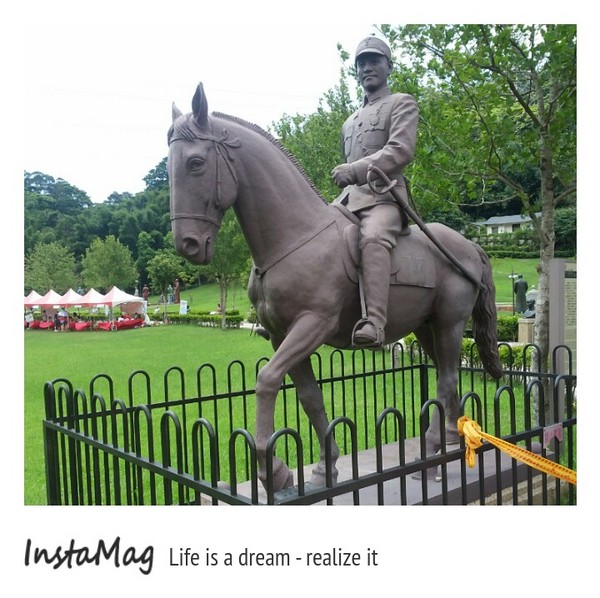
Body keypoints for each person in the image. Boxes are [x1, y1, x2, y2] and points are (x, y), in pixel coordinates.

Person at [332, 36, 419, 347]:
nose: (367, 68)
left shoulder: (401, 103)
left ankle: (375, 323)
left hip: (384, 197)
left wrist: (355, 170)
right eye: (361, 64)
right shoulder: (349, 122)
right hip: (347, 201)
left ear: (388, 67)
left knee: (372, 238)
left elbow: (400, 149)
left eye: (374, 61)